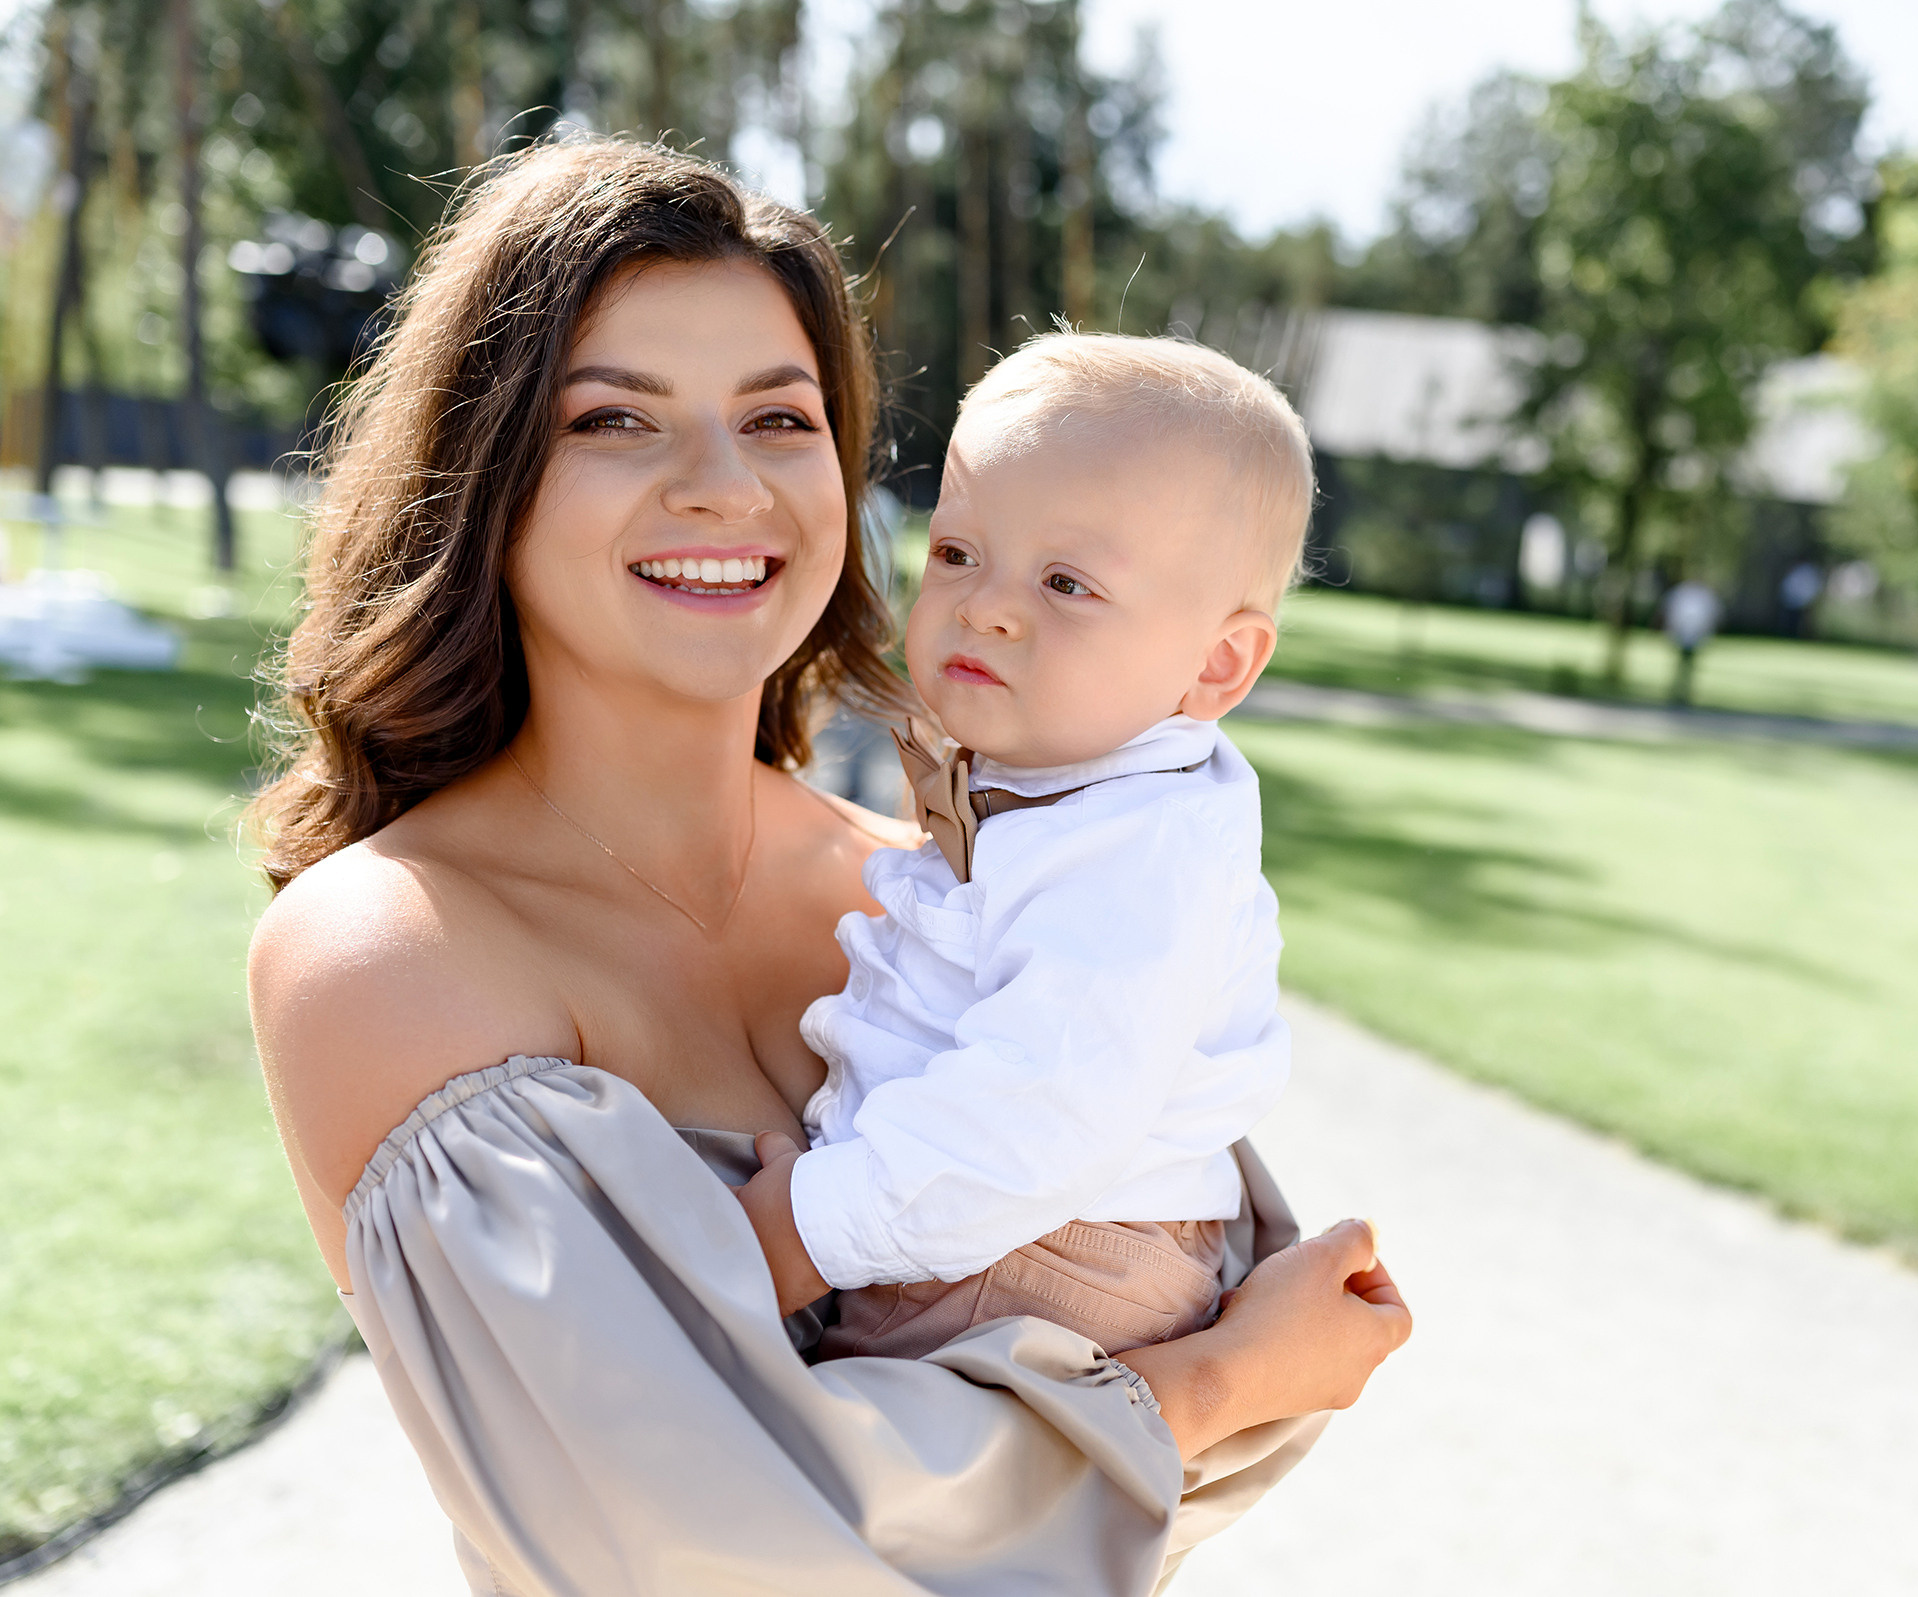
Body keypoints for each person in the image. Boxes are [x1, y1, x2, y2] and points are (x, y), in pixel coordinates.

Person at [243, 137, 1408, 1597]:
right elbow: (689, 1549)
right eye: (616, 418)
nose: (723, 484)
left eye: (779, 418)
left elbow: (1204, 1264)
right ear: (488, 473)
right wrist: (1209, 1390)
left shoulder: (931, 886)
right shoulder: (390, 951)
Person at [737, 334, 1311, 1366]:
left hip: (1038, 1257)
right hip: (980, 1220)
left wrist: (801, 1229)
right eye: (958, 554)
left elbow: (1041, 1111)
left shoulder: (1139, 852)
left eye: (1065, 582)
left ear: (1218, 664)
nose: (986, 606)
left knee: (866, 1458)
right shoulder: (1075, 788)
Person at [1663, 577, 1722, 706]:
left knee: (1687, 665)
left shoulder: (1700, 594)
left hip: (1694, 636)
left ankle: (1683, 691)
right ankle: (1679, 691)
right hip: (1683, 634)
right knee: (1683, 664)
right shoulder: (1686, 592)